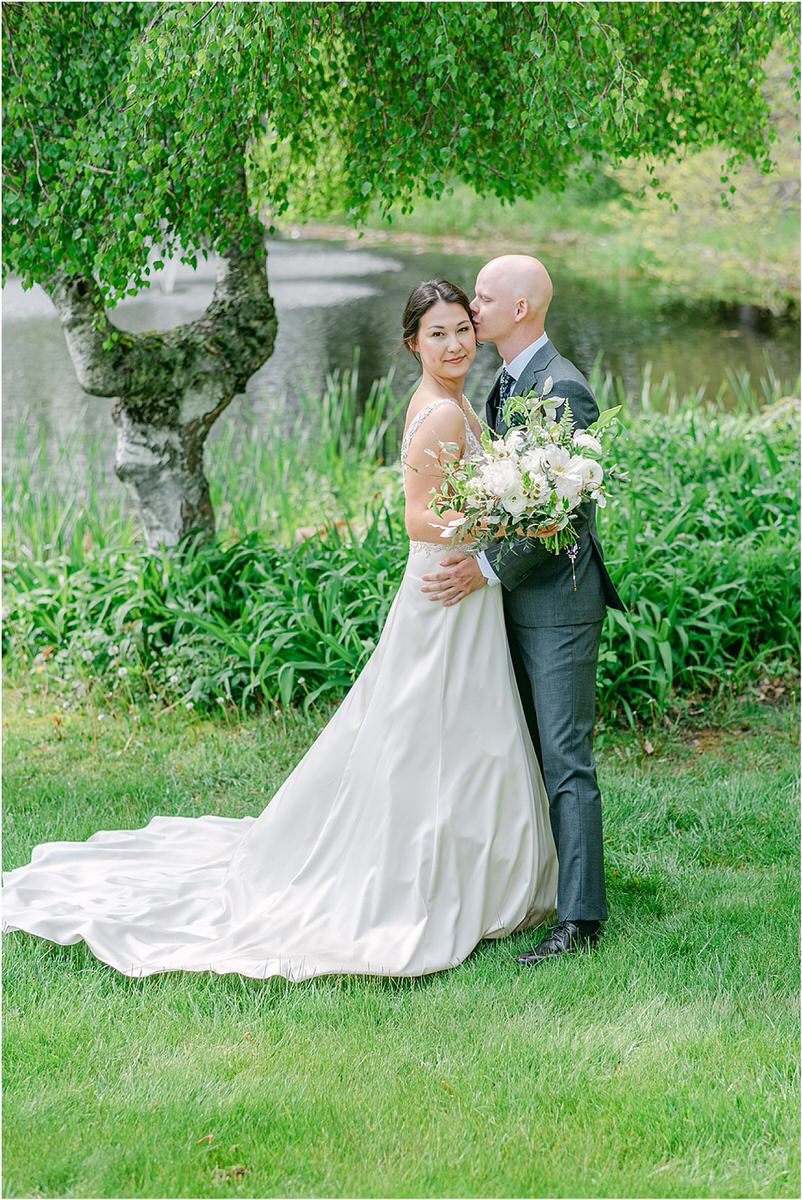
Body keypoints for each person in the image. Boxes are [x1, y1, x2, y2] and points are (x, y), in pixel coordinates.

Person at [1, 278, 559, 983]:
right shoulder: (442, 416)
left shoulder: (452, 405)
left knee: (453, 728)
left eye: (461, 330)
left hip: (459, 587)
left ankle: (471, 870)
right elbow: (417, 517)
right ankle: (435, 878)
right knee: (432, 728)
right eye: (438, 333)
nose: (454, 344)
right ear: (412, 343)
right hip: (444, 586)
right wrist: (500, 525)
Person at [421, 255, 626, 965]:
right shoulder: (507, 382)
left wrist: (483, 568)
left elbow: (563, 515)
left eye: (482, 296)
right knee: (512, 751)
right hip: (510, 603)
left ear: (521, 311)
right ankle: (522, 886)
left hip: (559, 606)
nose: (471, 306)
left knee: (565, 758)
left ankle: (580, 923)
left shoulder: (562, 387)